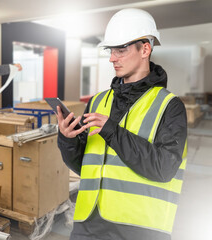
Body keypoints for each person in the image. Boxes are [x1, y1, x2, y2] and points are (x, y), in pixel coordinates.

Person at [56, 8, 187, 240]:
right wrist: (67, 139)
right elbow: (83, 166)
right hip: (87, 224)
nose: (112, 58)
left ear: (145, 49)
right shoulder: (98, 101)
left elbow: (165, 168)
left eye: (121, 50)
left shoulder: (169, 106)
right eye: (111, 50)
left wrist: (112, 131)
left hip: (139, 229)